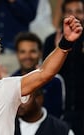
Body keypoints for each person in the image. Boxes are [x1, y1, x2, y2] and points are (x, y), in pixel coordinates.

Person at [43, 0, 84, 134]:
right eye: (69, 12)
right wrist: (58, 51)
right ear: (63, 14)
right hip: (58, 110)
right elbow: (45, 75)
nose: (74, 16)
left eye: (78, 11)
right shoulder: (51, 40)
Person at [11, 32, 65, 118]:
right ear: (17, 54)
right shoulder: (11, 81)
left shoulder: (55, 81)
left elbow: (57, 116)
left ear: (40, 53)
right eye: (23, 52)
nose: (27, 56)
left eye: (32, 51)